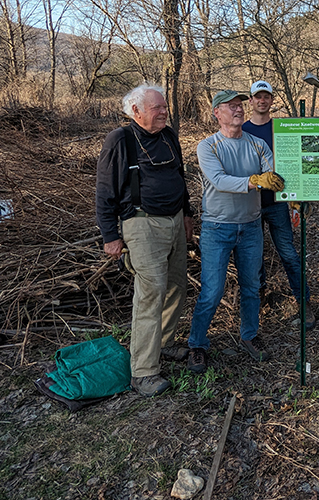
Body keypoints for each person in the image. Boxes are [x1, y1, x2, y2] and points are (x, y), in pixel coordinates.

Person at [95, 84, 194, 397]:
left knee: (177, 284)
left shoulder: (169, 135)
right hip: (141, 222)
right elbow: (104, 191)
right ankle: (143, 371)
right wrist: (111, 236)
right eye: (157, 108)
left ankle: (164, 343)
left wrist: (187, 215)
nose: (164, 112)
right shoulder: (120, 139)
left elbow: (180, 175)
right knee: (151, 293)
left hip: (175, 219)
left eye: (164, 107)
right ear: (136, 111)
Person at [187, 90, 285, 374]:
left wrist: (296, 194)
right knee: (213, 290)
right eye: (231, 107)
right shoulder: (208, 147)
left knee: (252, 287)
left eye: (240, 106)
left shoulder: (256, 144)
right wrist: (256, 180)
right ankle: (197, 344)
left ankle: (250, 335)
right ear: (217, 113)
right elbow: (218, 180)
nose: (239, 110)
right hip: (218, 227)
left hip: (251, 225)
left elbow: (275, 174)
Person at [242, 80, 315, 330]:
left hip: (278, 204)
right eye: (257, 97)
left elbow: (298, 162)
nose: (262, 101)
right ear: (250, 101)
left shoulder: (282, 129)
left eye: (267, 97)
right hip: (250, 204)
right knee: (254, 256)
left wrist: (299, 196)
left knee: (288, 254)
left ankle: (304, 305)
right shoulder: (241, 130)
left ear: (272, 101)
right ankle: (259, 297)